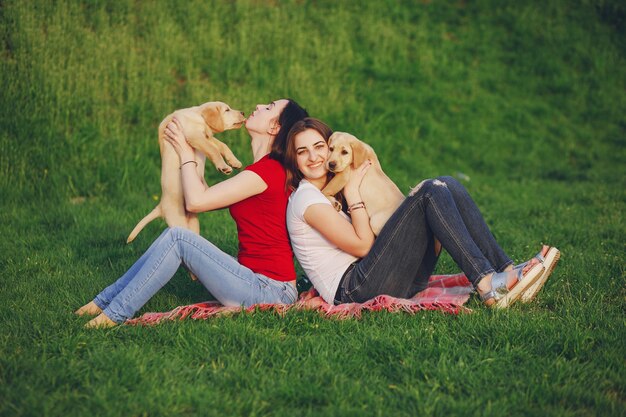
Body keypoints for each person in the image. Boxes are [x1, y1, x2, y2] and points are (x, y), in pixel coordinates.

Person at [75, 99, 309, 327]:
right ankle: (103, 301)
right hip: (253, 278)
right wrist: (192, 148)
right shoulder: (261, 170)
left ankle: (113, 315)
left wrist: (186, 152)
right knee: (173, 236)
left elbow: (196, 202)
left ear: (274, 127)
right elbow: (199, 196)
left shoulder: (268, 171)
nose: (258, 106)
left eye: (269, 107)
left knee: (178, 238)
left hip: (270, 291)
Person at [284, 118, 560, 308]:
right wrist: (354, 194)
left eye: (320, 146)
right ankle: (487, 284)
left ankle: (506, 270)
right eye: (302, 151)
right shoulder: (306, 198)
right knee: (430, 191)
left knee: (446, 183)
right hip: (354, 290)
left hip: (393, 278)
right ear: (294, 160)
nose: (316, 156)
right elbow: (363, 246)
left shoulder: (334, 187)